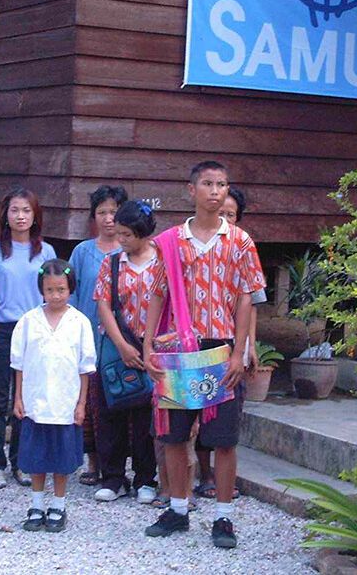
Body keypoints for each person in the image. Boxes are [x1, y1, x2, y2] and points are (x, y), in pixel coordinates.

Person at [142, 161, 266, 549]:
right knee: (176, 436)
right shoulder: (170, 241)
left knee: (224, 439)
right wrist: (147, 344)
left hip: (221, 347)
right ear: (191, 189)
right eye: (208, 184)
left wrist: (239, 352)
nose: (215, 191)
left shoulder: (240, 241)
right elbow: (158, 293)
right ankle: (178, 509)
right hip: (179, 349)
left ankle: (223, 516)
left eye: (222, 184)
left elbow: (246, 297)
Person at [0, 188, 57, 489]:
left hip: (34, 329)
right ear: (5, 215)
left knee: (27, 398)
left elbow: (53, 294)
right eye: (14, 210)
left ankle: (22, 461)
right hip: (0, 328)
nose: (20, 216)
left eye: (26, 210)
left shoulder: (45, 252)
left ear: (35, 216)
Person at [12, 259, 97, 533]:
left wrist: (82, 403)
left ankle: (58, 505)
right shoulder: (28, 321)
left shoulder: (79, 322)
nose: (56, 295)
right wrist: (19, 399)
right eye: (50, 290)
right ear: (41, 290)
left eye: (61, 289)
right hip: (36, 402)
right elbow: (19, 364)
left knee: (61, 460)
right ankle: (36, 504)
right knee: (36, 457)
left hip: (65, 403)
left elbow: (85, 368)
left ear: (70, 289)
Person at [194, 186, 261, 501]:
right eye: (221, 213)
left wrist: (249, 346)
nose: (224, 218)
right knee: (200, 410)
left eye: (230, 214)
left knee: (227, 415)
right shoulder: (198, 246)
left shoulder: (244, 247)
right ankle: (203, 473)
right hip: (202, 343)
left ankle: (222, 486)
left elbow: (252, 303)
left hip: (233, 344)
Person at [91, 199, 159, 504]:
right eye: (118, 234)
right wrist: (122, 345)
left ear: (142, 233)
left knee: (147, 413)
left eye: (126, 235)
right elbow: (102, 303)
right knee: (112, 409)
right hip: (118, 345)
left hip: (154, 346)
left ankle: (147, 477)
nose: (120, 240)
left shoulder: (162, 261)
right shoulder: (112, 263)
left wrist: (149, 346)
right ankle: (114, 476)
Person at [68, 184, 127, 488]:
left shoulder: (131, 249)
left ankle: (121, 466)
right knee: (91, 404)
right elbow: (72, 294)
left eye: (113, 212)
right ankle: (94, 462)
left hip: (122, 341)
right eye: (102, 212)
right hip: (88, 336)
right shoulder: (82, 251)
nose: (108, 218)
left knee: (123, 398)